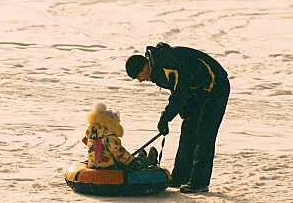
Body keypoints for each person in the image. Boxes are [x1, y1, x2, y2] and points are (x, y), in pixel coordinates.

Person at [125, 42, 229, 193]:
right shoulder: (158, 68)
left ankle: (199, 183)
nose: (141, 80)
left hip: (216, 86)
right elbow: (180, 90)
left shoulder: (167, 62)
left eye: (138, 76)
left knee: (204, 134)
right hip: (199, 90)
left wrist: (165, 117)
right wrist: (183, 111)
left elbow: (180, 92)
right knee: (188, 130)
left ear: (144, 67)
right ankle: (180, 177)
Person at [82, 103, 133, 169]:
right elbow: (119, 151)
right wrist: (131, 160)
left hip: (92, 164)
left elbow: (85, 140)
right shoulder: (109, 136)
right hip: (106, 165)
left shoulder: (92, 132)